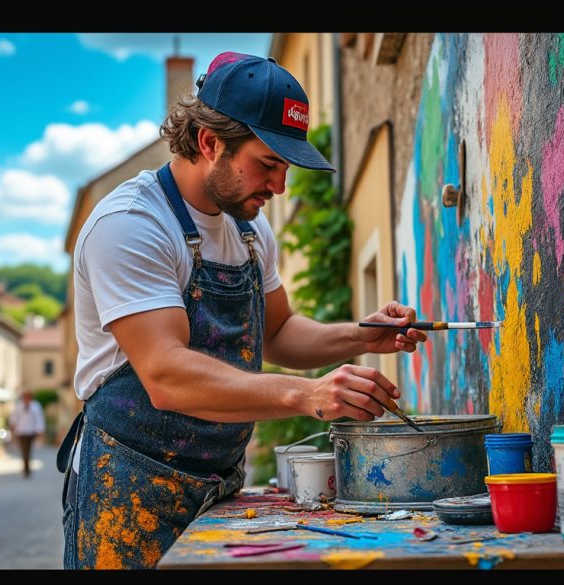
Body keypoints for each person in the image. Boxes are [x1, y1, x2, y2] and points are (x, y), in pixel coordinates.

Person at [60, 51, 428, 569]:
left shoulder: (249, 229)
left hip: (217, 487)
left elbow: (278, 332)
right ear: (210, 143)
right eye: (269, 164)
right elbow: (166, 375)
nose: (280, 188)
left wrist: (361, 335)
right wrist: (309, 395)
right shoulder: (129, 225)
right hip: (127, 489)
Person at [9, 390, 46, 478]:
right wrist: (13, 429)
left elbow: (39, 419)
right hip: (21, 431)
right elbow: (14, 418)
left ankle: (27, 469)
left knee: (27, 450)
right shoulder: (19, 406)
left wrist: (40, 430)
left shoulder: (36, 406)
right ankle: (26, 469)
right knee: (24, 450)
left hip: (31, 432)